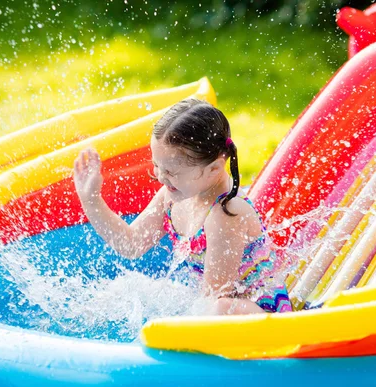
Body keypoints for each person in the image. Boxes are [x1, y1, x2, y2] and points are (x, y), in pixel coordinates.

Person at [73, 98, 292, 315]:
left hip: (261, 315)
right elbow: (131, 245)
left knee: (219, 307)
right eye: (157, 166)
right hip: (220, 308)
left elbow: (213, 298)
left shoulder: (226, 214)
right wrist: (91, 200)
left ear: (215, 169)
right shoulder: (172, 195)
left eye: (171, 172)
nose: (160, 177)